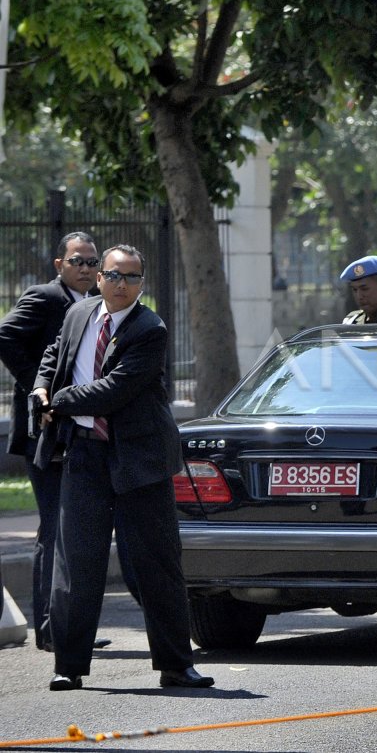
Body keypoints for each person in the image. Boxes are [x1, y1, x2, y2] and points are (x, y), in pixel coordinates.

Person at [32, 244, 213, 691]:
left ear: (142, 284)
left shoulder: (150, 328)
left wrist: (58, 400)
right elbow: (55, 355)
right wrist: (40, 387)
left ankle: (176, 665)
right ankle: (69, 666)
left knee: (157, 562)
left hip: (139, 458)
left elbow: (114, 389)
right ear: (99, 278)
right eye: (113, 275)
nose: (121, 284)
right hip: (84, 453)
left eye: (132, 277)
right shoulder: (78, 315)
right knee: (76, 562)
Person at [0, 232, 134, 652]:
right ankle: (50, 629)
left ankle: (68, 627)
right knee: (54, 529)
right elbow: (5, 336)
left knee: (72, 530)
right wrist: (38, 387)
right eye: (78, 261)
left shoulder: (97, 306)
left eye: (93, 262)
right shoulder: (45, 297)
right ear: (60, 265)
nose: (87, 269)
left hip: (79, 433)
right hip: (45, 432)